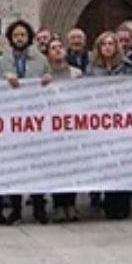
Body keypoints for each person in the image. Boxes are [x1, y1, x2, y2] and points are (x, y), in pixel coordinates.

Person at [0, 19, 52, 224]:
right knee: (15, 166)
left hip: (35, 121)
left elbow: (50, 84)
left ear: (29, 38)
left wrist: (47, 80)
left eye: (23, 35)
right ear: (10, 38)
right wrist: (3, 81)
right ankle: (16, 208)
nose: (19, 38)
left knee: (37, 165)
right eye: (16, 35)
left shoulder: (41, 59)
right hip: (12, 121)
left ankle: (38, 207)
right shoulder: (2, 61)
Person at [86, 30, 132, 219]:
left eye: (111, 44)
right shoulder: (91, 69)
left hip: (121, 122)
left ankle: (123, 203)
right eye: (104, 44)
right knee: (106, 164)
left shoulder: (127, 67)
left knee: (121, 163)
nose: (108, 47)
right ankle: (108, 203)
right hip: (101, 125)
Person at [43, 38, 83, 223]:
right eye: (53, 48)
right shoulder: (44, 75)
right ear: (48, 53)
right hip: (52, 128)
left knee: (72, 166)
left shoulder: (77, 74)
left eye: (60, 47)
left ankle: (71, 204)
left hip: (72, 126)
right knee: (57, 167)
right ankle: (59, 205)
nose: (57, 50)